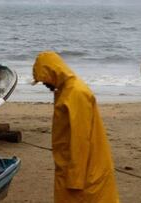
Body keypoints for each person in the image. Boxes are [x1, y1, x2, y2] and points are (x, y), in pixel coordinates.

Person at [32, 51, 119, 203]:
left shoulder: (76, 93)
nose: (44, 84)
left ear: (53, 72)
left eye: (44, 80)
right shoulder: (64, 90)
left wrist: (75, 178)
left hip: (85, 172)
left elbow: (80, 138)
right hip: (70, 166)